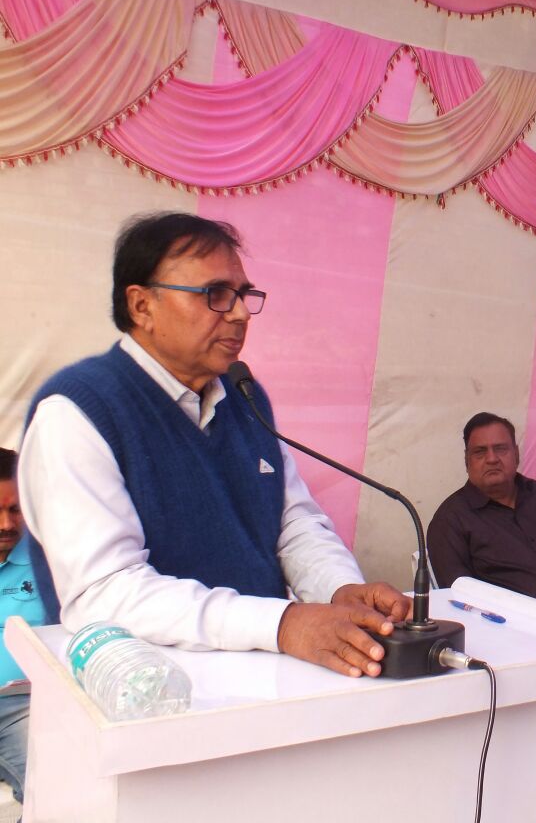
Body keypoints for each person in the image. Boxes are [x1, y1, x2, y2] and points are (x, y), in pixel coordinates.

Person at [20, 212, 410, 679]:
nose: (241, 313)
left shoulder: (244, 397)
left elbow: (292, 524)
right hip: (138, 700)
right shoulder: (76, 413)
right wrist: (282, 624)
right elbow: (106, 593)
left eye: (244, 295)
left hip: (257, 682)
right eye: (216, 295)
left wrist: (338, 589)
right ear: (142, 306)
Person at [427, 412, 536, 616]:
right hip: (522, 640)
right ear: (467, 461)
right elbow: (460, 601)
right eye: (480, 452)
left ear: (516, 454)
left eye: (500, 449)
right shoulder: (451, 520)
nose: (492, 459)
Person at [0, 449, 44, 806]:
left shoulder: (51, 560)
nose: (6, 524)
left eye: (15, 510)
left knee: (48, 779)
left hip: (25, 704)